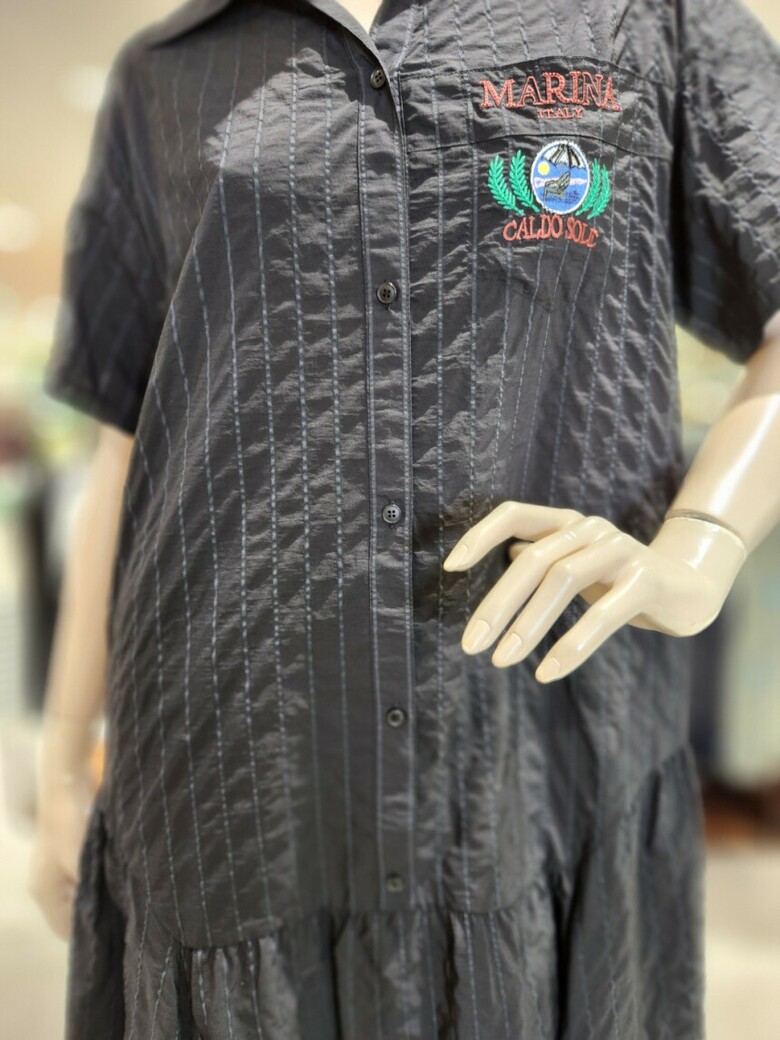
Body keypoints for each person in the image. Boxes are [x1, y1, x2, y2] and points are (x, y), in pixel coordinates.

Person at [28, 0, 780, 1036]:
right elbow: (131, 432)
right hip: (227, 769)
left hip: (531, 752)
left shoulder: (644, 20)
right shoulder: (172, 68)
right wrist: (63, 753)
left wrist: (702, 548)